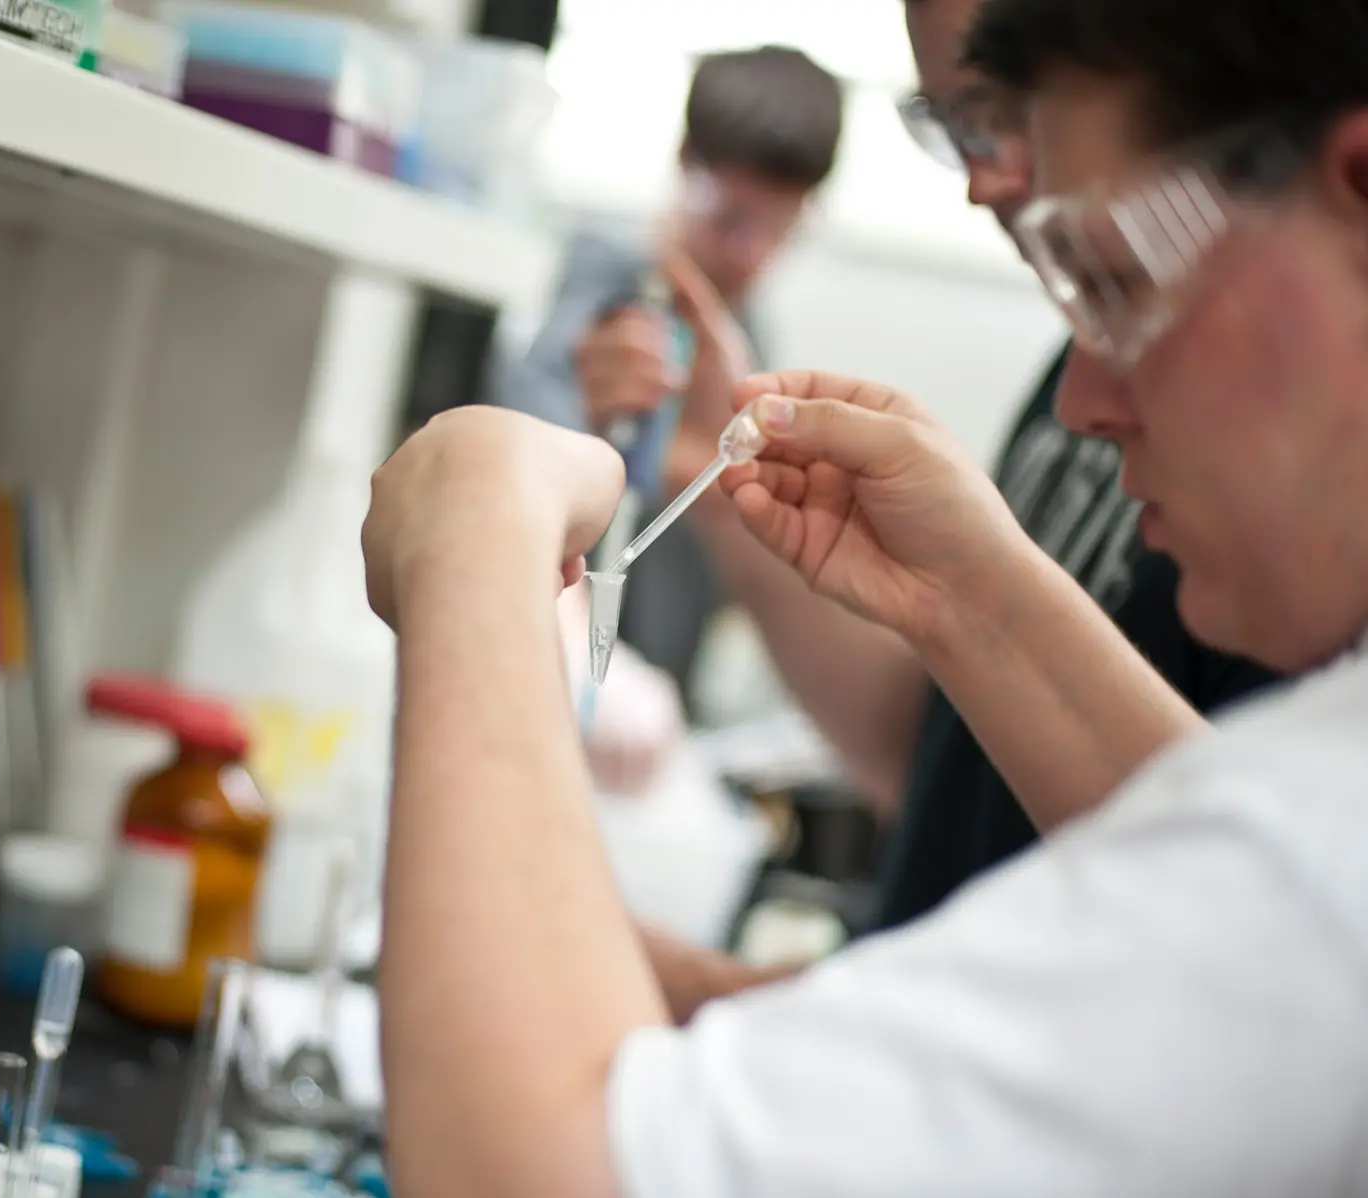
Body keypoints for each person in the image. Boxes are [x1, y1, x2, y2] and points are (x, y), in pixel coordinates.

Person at [361, 0, 1368, 1191]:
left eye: (1117, 279)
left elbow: (527, 1172)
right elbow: (1195, 924)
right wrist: (970, 601)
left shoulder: (1324, 833)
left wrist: (477, 523)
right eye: (953, 119)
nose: (1086, 401)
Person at [582, 0, 1278, 949]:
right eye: (950, 126)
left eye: (1002, 106)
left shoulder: (1297, 490)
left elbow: (1254, 921)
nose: (982, 179)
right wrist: (721, 480)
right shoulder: (1086, 368)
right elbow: (936, 756)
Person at [500, 45, 842, 695]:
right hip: (560, 672)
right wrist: (572, 639)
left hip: (659, 687)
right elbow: (520, 454)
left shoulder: (747, 335)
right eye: (731, 220)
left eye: (777, 230)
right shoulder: (611, 286)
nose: (749, 256)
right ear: (686, 163)